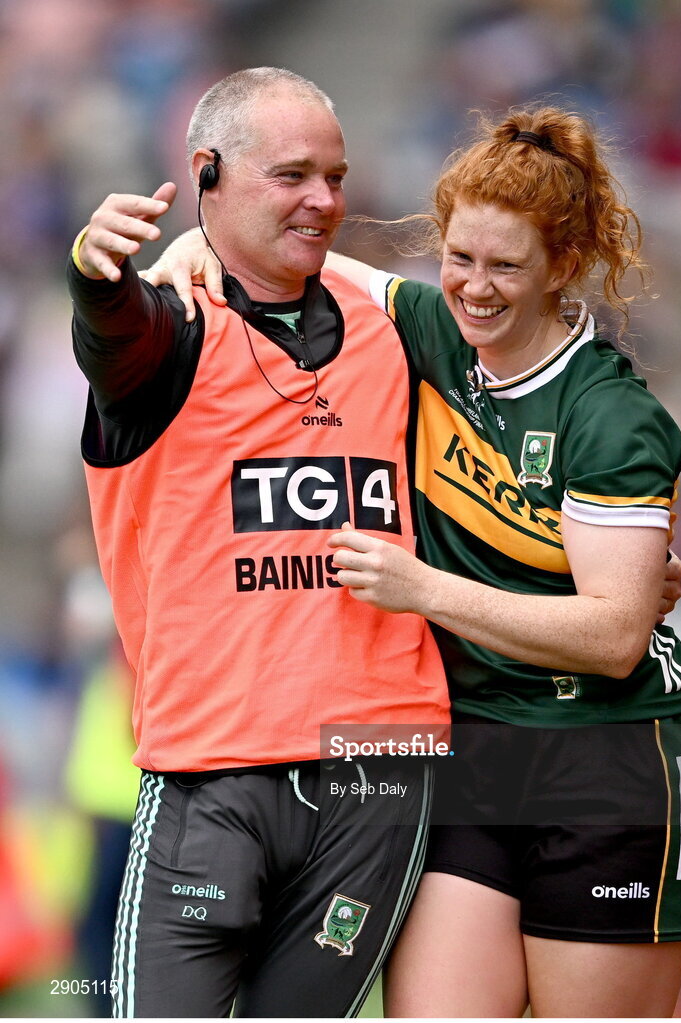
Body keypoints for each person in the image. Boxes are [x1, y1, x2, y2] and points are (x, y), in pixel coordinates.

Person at [148, 104, 681, 1018]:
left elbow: (615, 636)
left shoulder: (612, 416)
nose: (474, 288)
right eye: (458, 258)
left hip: (607, 765)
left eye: (504, 266)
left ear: (563, 267)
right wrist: (192, 250)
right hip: (465, 753)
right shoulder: (434, 332)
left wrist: (422, 590)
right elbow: (295, 253)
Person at [66, 66, 451, 1019]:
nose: (325, 199)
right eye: (291, 175)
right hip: (215, 767)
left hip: (384, 756)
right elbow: (114, 337)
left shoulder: (392, 330)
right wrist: (92, 273)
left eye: (336, 174)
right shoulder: (167, 325)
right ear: (207, 173)